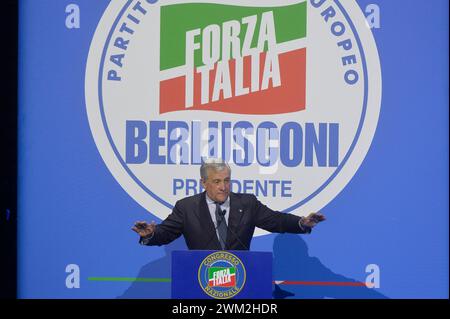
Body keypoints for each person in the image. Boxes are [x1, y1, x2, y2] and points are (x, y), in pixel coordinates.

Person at [132, 158, 325, 250]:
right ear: (203, 183)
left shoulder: (247, 203)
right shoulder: (187, 207)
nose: (223, 187)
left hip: (241, 278)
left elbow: (275, 220)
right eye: (217, 182)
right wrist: (151, 234)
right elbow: (166, 232)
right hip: (200, 279)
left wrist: (302, 222)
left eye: (227, 180)